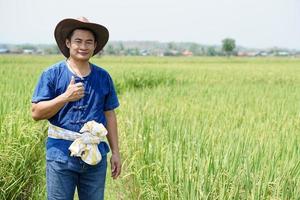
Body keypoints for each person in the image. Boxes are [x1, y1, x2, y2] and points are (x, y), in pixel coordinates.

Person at [31, 17, 121, 200]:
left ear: (95, 46)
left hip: (95, 155)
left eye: (89, 42)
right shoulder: (52, 74)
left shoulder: (103, 77)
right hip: (60, 155)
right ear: (67, 43)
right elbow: (36, 113)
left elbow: (109, 115)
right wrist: (66, 96)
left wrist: (116, 153)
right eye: (78, 41)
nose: (83, 46)